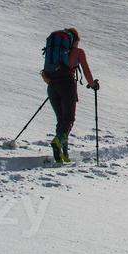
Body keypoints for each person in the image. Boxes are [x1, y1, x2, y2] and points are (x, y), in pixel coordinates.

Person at [41, 27, 100, 164]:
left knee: (61, 120)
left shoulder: (53, 55)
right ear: (74, 40)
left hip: (52, 86)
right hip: (67, 85)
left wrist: (53, 83)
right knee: (69, 119)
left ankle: (64, 154)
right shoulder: (78, 52)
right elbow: (86, 70)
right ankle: (58, 141)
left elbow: (44, 75)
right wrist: (93, 85)